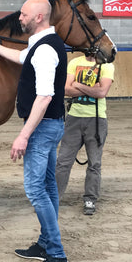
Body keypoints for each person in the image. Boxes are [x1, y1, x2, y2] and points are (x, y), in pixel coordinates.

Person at [0, 0, 70, 262]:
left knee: (35, 190)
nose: (20, 19)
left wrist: (23, 135)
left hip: (41, 129)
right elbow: (20, 57)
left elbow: (44, 96)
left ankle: (57, 255)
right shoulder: (42, 45)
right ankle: (45, 243)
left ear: (39, 17)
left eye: (25, 15)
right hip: (51, 126)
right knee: (48, 187)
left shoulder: (44, 51)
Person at [55, 54, 114, 215]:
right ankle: (54, 198)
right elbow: (66, 89)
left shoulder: (106, 65)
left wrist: (78, 85)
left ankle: (90, 199)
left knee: (94, 163)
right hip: (74, 118)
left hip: (96, 119)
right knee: (63, 161)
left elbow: (102, 92)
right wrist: (91, 89)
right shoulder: (75, 62)